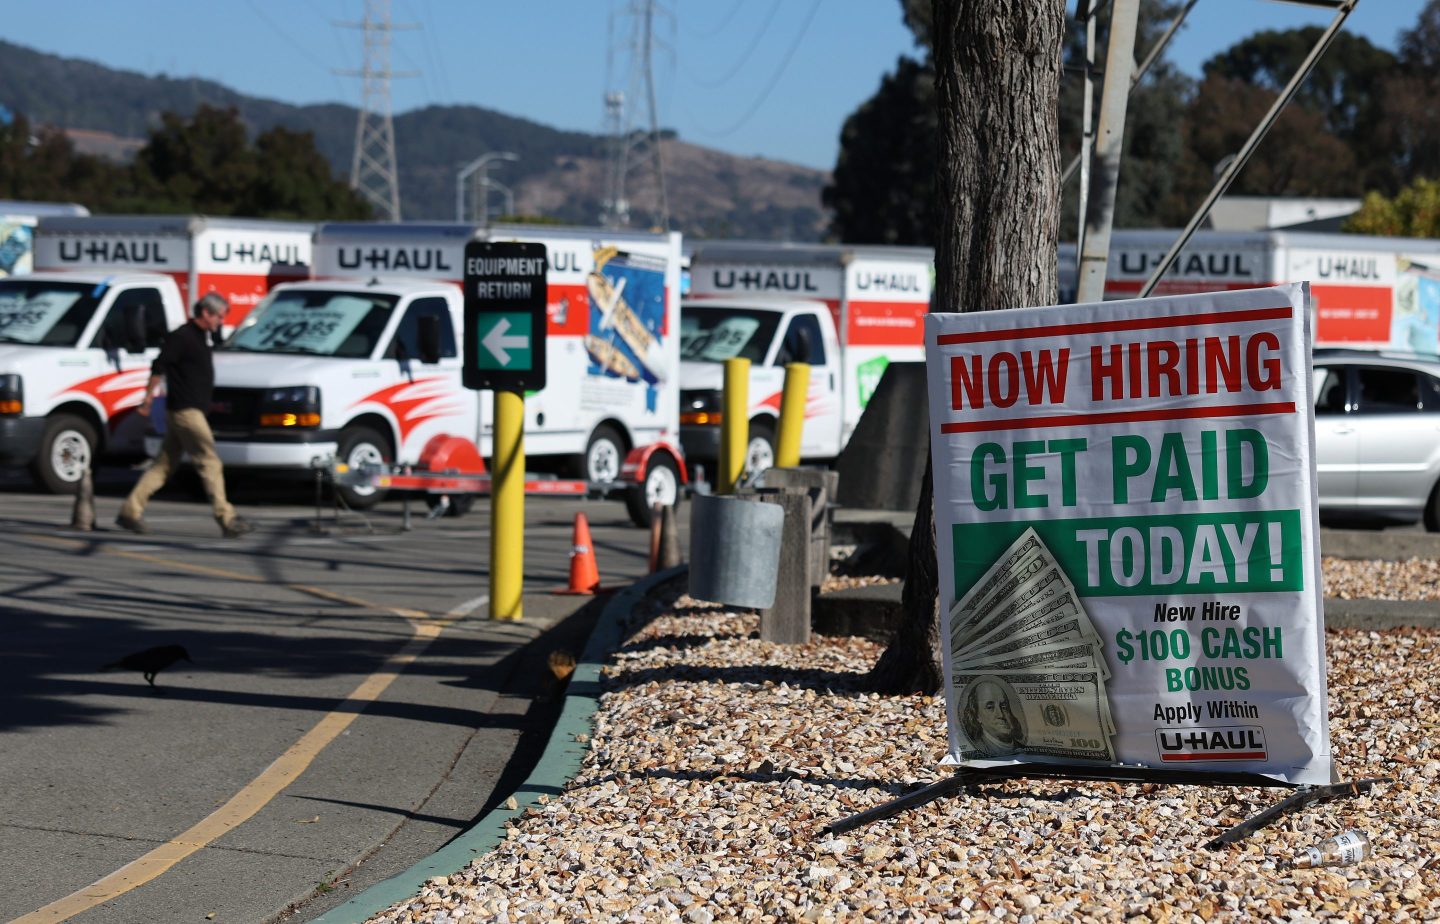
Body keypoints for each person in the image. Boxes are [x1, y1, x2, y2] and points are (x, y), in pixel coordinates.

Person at [115, 293, 252, 538]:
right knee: (210, 462)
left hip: (188, 411)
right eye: (219, 317)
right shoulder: (182, 337)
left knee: (163, 466)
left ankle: (130, 511)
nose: (221, 322)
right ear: (206, 313)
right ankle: (226, 518)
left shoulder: (202, 338)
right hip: (185, 412)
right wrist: (148, 397)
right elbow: (159, 365)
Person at [961, 676, 1025, 757]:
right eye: (990, 707)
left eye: (1004, 706)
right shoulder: (977, 748)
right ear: (977, 716)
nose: (1001, 715)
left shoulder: (1023, 748)